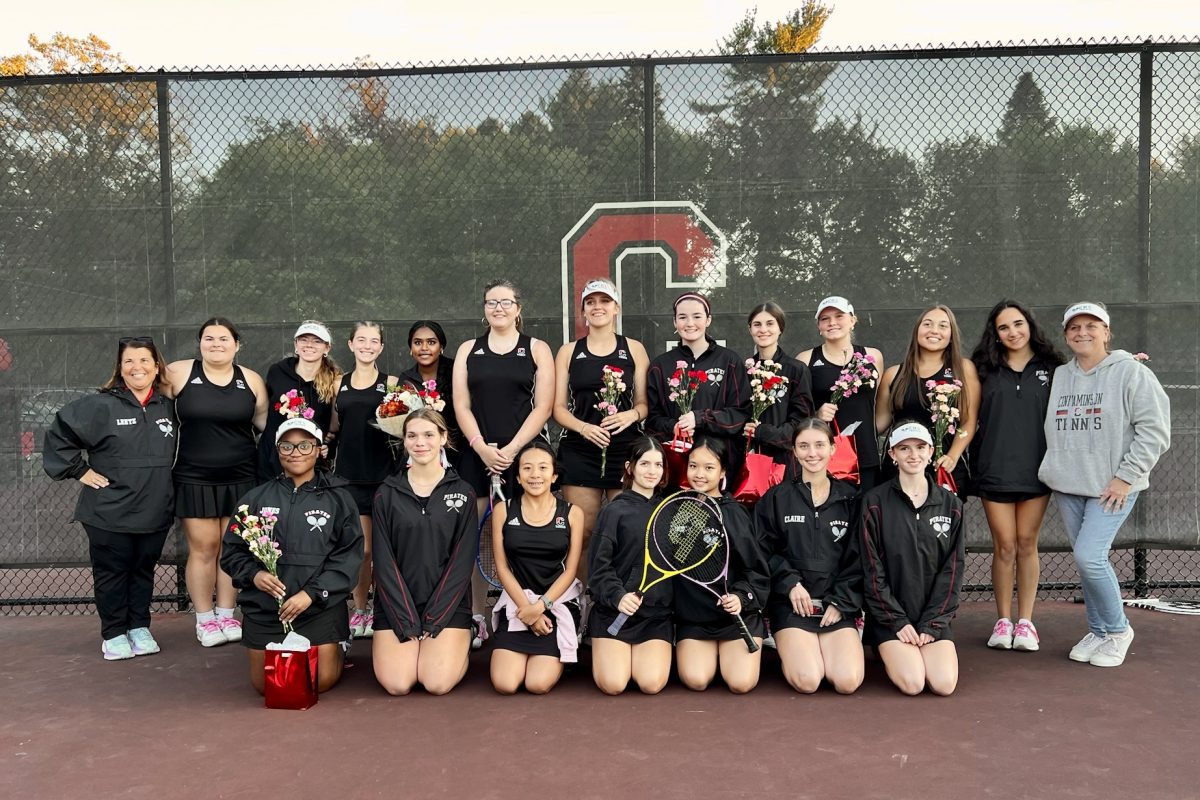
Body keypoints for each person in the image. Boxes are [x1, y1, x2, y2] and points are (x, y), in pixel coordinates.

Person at [1038, 302, 1170, 668]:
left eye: (1091, 326)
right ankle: (1098, 630)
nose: (1082, 332)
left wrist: (1125, 477)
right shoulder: (1062, 375)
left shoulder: (1131, 372)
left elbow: (1155, 432)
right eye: (1074, 327)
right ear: (1066, 335)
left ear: (1106, 331)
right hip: (1069, 484)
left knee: (1089, 556)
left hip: (1112, 487)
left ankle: (1118, 629)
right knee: (1086, 561)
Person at [43, 336, 177, 660]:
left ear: (157, 366)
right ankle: (115, 632)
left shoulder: (170, 407)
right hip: (108, 512)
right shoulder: (101, 405)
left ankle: (139, 627)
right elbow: (59, 434)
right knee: (113, 571)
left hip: (155, 509)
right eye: (129, 361)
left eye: (144, 360)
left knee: (143, 569)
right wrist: (79, 470)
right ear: (119, 367)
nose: (137, 367)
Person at [220, 416, 363, 695]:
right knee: (267, 687)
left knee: (318, 682)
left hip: (317, 608)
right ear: (277, 450)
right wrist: (255, 574)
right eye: (287, 446)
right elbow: (232, 552)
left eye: (304, 446)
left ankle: (338, 647)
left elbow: (348, 556)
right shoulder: (254, 499)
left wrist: (312, 593)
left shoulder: (340, 499)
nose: (295, 453)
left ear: (318, 449)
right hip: (266, 609)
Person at [453, 280, 555, 637]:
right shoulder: (468, 349)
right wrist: (482, 447)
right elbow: (461, 405)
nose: (499, 308)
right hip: (477, 456)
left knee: (524, 535)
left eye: (506, 302)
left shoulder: (537, 349)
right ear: (484, 308)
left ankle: (523, 609)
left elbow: (543, 407)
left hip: (523, 457)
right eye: (491, 302)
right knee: (473, 538)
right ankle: (477, 616)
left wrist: (512, 451)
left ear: (518, 308)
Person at [970, 300, 1065, 651]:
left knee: (1027, 543)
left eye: (1018, 324)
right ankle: (1003, 621)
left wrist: (1122, 364)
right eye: (1004, 327)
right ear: (995, 333)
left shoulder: (1054, 368)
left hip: (1037, 471)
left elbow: (1092, 380)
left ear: (1030, 324)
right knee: (1004, 545)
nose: (1012, 332)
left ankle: (1025, 623)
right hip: (994, 469)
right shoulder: (982, 369)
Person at [167, 318, 268, 647]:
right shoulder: (178, 373)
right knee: (204, 548)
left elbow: (265, 426)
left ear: (236, 345)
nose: (216, 344)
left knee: (232, 548)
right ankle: (205, 619)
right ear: (199, 344)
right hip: (193, 476)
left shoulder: (250, 380)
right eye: (208, 338)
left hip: (241, 478)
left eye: (223, 339)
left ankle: (226, 613)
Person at [370, 408, 478, 695]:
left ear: (443, 438)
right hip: (397, 606)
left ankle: (462, 641)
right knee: (398, 684)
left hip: (446, 608)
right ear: (403, 441)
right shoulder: (386, 493)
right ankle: (418, 642)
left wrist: (435, 617)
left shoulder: (463, 492)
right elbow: (383, 563)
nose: (421, 443)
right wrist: (406, 620)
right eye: (412, 435)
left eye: (429, 435)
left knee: (436, 683)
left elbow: (462, 562)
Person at [754, 419, 864, 694]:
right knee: (808, 680)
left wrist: (842, 601)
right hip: (792, 607)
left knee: (847, 682)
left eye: (819, 445)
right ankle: (784, 637)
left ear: (832, 449)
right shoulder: (776, 498)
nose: (812, 453)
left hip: (834, 607)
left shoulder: (851, 500)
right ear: (793, 451)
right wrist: (790, 584)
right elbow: (762, 552)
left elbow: (862, 558)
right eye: (803, 446)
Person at [553, 279, 649, 582]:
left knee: (628, 529)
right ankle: (581, 603)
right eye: (591, 302)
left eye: (604, 301)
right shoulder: (569, 352)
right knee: (583, 532)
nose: (598, 307)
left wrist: (628, 416)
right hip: (581, 451)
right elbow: (556, 409)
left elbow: (645, 404)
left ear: (616, 308)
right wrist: (584, 428)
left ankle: (622, 598)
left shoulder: (633, 348)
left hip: (625, 449)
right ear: (583, 311)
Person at [860, 422, 964, 696]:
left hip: (933, 619)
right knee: (913, 683)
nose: (913, 455)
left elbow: (953, 570)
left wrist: (933, 623)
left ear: (931, 451)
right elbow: (872, 571)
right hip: (890, 620)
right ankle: (884, 650)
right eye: (904, 449)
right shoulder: (874, 502)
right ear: (892, 454)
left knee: (943, 685)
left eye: (920, 448)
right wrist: (897, 622)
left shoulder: (951, 504)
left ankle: (923, 640)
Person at [672, 437, 769, 693]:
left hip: (735, 617)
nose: (699, 474)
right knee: (697, 680)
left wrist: (741, 597)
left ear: (723, 471)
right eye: (693, 466)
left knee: (741, 683)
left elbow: (755, 569)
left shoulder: (734, 513)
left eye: (709, 467)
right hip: (693, 618)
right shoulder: (675, 507)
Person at [489, 441, 584, 694]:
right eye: (527, 468)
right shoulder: (503, 510)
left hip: (555, 604)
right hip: (518, 605)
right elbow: (502, 568)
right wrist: (526, 610)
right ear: (518, 477)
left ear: (554, 476)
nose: (535, 475)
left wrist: (540, 608)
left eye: (543, 468)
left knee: (537, 684)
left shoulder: (573, 513)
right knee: (505, 684)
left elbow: (570, 571)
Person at [328, 321, 398, 640]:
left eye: (374, 341)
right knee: (363, 550)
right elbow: (333, 427)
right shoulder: (337, 385)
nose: (367, 345)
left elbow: (405, 427)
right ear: (351, 344)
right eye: (361, 340)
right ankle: (360, 609)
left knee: (386, 551)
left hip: (386, 477)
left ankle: (387, 608)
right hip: (349, 479)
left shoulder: (393, 384)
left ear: (381, 347)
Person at [587, 436, 673, 695]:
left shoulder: (670, 509)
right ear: (629, 467)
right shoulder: (613, 511)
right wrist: (618, 596)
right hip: (614, 613)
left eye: (658, 465)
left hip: (655, 617)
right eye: (645, 463)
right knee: (613, 685)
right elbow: (598, 568)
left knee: (650, 684)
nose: (652, 471)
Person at [646, 292, 751, 482]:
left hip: (719, 465)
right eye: (682, 317)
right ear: (674, 321)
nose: (689, 323)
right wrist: (676, 427)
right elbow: (652, 420)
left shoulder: (730, 361)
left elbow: (740, 414)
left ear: (708, 320)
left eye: (697, 316)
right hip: (676, 467)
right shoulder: (660, 365)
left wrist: (700, 418)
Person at [875, 304, 979, 496]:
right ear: (917, 331)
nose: (934, 330)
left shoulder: (963, 369)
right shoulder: (893, 375)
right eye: (928, 324)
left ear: (951, 336)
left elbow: (968, 421)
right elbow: (879, 423)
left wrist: (952, 456)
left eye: (943, 326)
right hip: (901, 468)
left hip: (943, 467)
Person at [798, 296, 885, 490]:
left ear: (853, 321)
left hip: (866, 456)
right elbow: (797, 412)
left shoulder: (873, 357)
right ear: (818, 325)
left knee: (865, 516)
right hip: (822, 458)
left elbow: (877, 405)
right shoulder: (806, 359)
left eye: (839, 316)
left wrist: (867, 433)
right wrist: (817, 416)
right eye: (825, 319)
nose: (832, 323)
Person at [255, 321, 340, 482]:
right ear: (296, 344)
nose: (309, 345)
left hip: (310, 462)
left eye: (317, 341)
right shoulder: (277, 372)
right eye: (304, 339)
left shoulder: (335, 381)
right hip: (273, 459)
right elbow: (265, 412)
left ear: (326, 348)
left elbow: (335, 425)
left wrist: (328, 444)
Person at [743, 301, 813, 470]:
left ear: (780, 328)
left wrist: (764, 433)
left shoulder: (796, 370)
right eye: (757, 324)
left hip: (783, 462)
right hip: (747, 461)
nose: (763, 330)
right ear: (750, 329)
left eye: (770, 323)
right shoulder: (743, 370)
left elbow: (802, 423)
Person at [399, 320, 461, 469]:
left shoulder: (457, 371)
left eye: (431, 342)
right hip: (420, 453)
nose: (424, 348)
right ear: (410, 347)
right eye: (418, 342)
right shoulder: (406, 379)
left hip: (458, 452)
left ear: (441, 347)